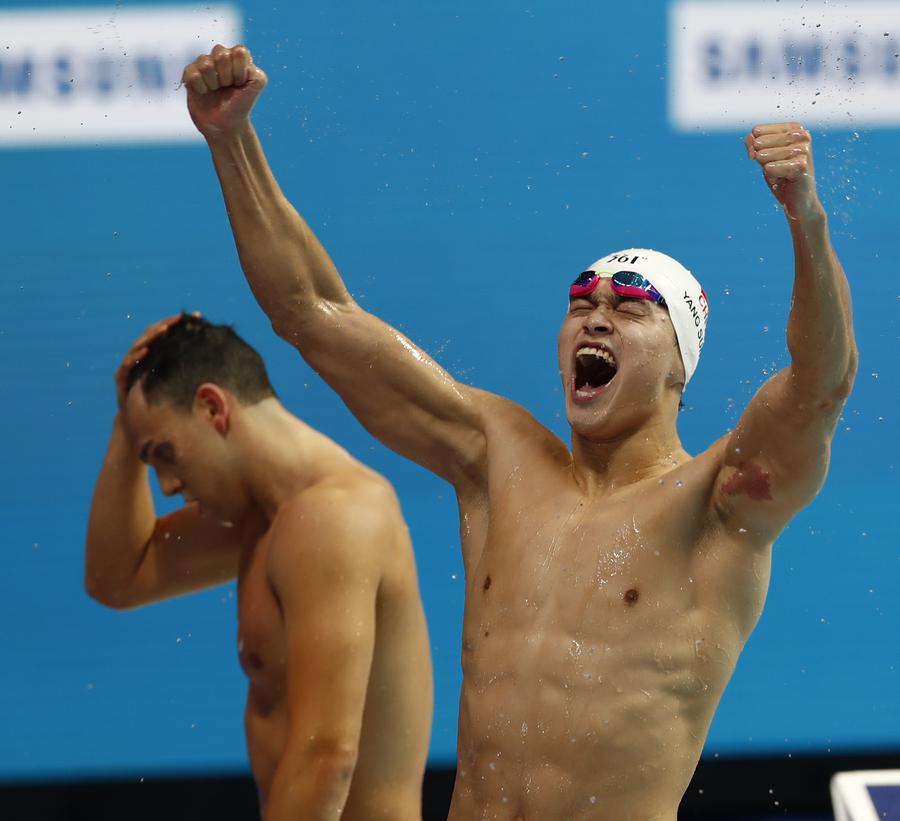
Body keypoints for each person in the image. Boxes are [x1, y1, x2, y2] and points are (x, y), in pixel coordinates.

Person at [184, 43, 858, 821]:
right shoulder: (495, 456)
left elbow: (822, 384)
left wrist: (806, 217)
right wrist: (230, 140)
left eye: (630, 308)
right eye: (581, 303)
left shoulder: (716, 503)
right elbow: (313, 312)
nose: (595, 317)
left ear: (681, 366)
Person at [84, 314, 433, 821]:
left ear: (212, 407)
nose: (167, 485)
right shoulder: (263, 517)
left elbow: (326, 758)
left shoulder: (331, 518)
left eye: (164, 455)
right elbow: (115, 578)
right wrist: (128, 423)